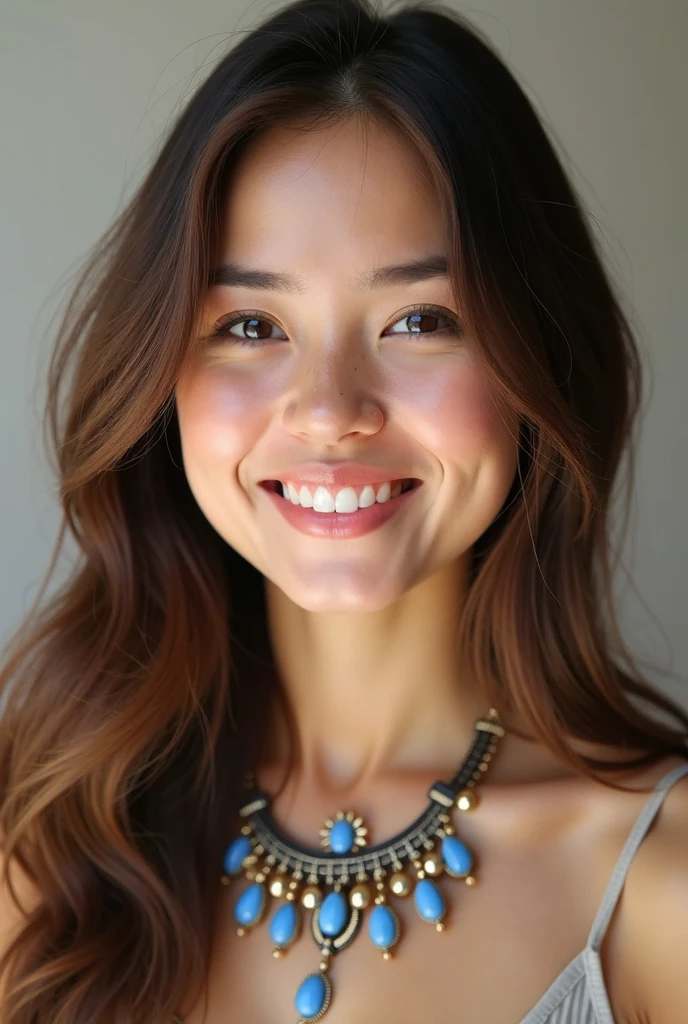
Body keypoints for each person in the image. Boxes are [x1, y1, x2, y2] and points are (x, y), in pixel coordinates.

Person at [1, 0, 687, 1021]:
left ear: (535, 358)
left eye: (418, 319)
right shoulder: (52, 828)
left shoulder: (656, 882)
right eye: (249, 323)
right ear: (162, 377)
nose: (329, 411)